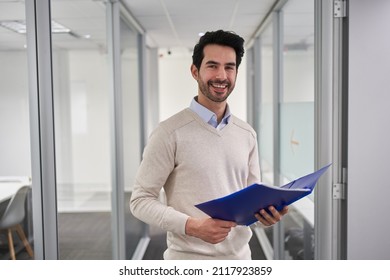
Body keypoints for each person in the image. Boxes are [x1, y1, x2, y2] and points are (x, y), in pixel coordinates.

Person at [130, 30, 288, 260]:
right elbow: (140, 200)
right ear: (195, 71)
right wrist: (191, 225)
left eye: (229, 67)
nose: (222, 75)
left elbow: (251, 199)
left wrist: (267, 214)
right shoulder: (169, 133)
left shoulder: (247, 134)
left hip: (241, 260)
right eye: (212, 66)